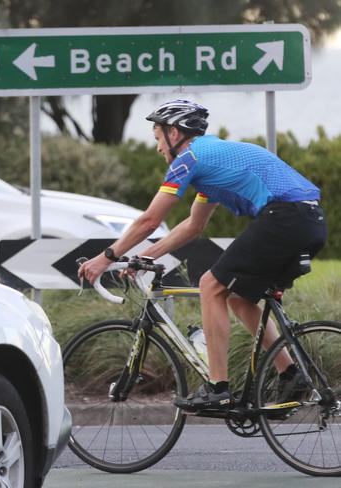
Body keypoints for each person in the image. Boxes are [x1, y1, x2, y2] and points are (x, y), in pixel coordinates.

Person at [78, 99, 326, 411]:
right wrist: (148, 256)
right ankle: (290, 375)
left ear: (173, 132)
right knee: (238, 298)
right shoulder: (212, 161)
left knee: (210, 285)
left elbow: (149, 220)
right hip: (310, 222)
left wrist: (106, 258)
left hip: (285, 216)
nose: (157, 149)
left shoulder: (189, 159)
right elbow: (194, 225)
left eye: (157, 139)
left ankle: (217, 388)